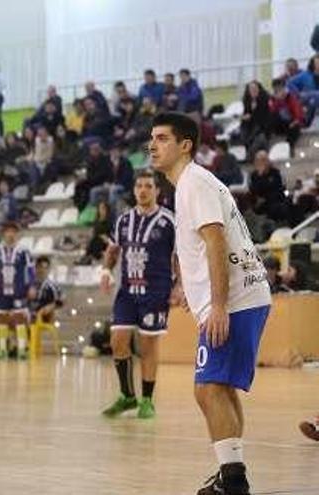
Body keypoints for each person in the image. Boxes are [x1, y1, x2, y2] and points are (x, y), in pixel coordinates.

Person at [150, 112, 271, 495]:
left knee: (208, 389)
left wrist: (217, 304)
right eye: (151, 138)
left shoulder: (193, 182)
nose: (153, 145)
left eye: (163, 138)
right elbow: (202, 245)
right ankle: (230, 473)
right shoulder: (192, 183)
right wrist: (191, 286)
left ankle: (234, 481)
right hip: (246, 295)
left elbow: (215, 240)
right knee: (221, 388)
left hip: (234, 300)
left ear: (185, 145)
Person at [99, 170, 177, 420]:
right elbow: (113, 250)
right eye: (139, 186)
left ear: (157, 191)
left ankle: (147, 400)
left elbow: (181, 257)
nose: (143, 190)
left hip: (156, 292)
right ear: (134, 191)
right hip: (127, 291)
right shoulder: (123, 221)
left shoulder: (169, 221)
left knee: (147, 346)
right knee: (117, 341)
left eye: (148, 186)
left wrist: (180, 287)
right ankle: (127, 396)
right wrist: (105, 270)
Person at [0, 222, 33, 359]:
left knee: (19, 317)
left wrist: (31, 286)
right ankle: (3, 349)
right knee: (1, 317)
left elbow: (30, 270)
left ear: (17, 233)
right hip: (2, 289)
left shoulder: (24, 250)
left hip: (19, 289)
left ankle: (21, 349)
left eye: (13, 231)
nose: (10, 234)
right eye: (8, 231)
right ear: (3, 233)